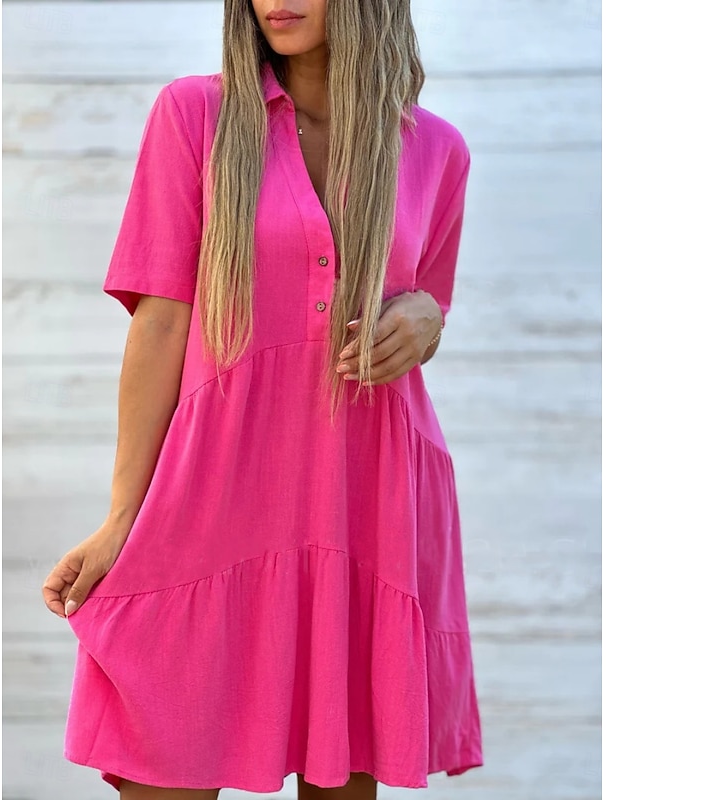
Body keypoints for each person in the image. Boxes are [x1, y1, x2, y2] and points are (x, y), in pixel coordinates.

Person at [42, 1, 483, 797]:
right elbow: (161, 323)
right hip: (214, 495)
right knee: (162, 757)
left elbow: (425, 303)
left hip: (365, 499)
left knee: (344, 772)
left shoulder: (436, 149)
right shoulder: (196, 115)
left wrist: (427, 316)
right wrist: (122, 518)